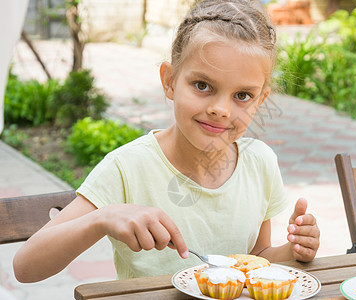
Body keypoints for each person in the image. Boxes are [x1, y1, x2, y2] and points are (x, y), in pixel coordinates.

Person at [13, 0, 320, 282]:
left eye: (242, 95)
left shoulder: (260, 163)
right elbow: (25, 267)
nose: (221, 110)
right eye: (203, 85)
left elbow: (255, 260)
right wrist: (101, 218)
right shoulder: (127, 169)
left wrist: (293, 250)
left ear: (261, 99)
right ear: (169, 81)